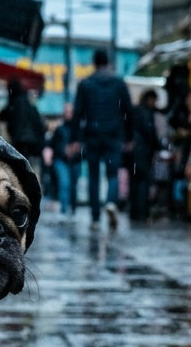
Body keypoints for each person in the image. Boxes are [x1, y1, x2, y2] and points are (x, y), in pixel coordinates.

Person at [73, 48, 134, 229]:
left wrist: (75, 139)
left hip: (92, 135)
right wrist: (129, 137)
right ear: (108, 62)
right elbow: (128, 112)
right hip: (114, 135)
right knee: (112, 173)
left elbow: (78, 113)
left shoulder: (86, 84)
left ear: (94, 62)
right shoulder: (119, 83)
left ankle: (95, 218)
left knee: (93, 176)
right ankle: (111, 203)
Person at [0, 78, 45, 176]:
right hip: (32, 143)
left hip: (19, 141)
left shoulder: (14, 102)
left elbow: (2, 115)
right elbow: (38, 124)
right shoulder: (29, 103)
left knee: (20, 170)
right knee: (30, 170)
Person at [129, 89, 161, 222]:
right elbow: (149, 132)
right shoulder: (147, 113)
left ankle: (134, 211)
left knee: (135, 182)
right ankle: (142, 211)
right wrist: (156, 145)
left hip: (134, 152)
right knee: (143, 182)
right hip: (143, 152)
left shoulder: (135, 111)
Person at [50, 105, 80, 216]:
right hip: (61, 160)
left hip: (75, 161)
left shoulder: (79, 130)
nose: (68, 114)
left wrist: (77, 149)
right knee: (65, 184)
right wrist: (64, 150)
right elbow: (53, 145)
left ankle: (72, 210)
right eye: (66, 111)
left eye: (70, 111)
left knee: (73, 186)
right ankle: (64, 210)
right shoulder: (60, 129)